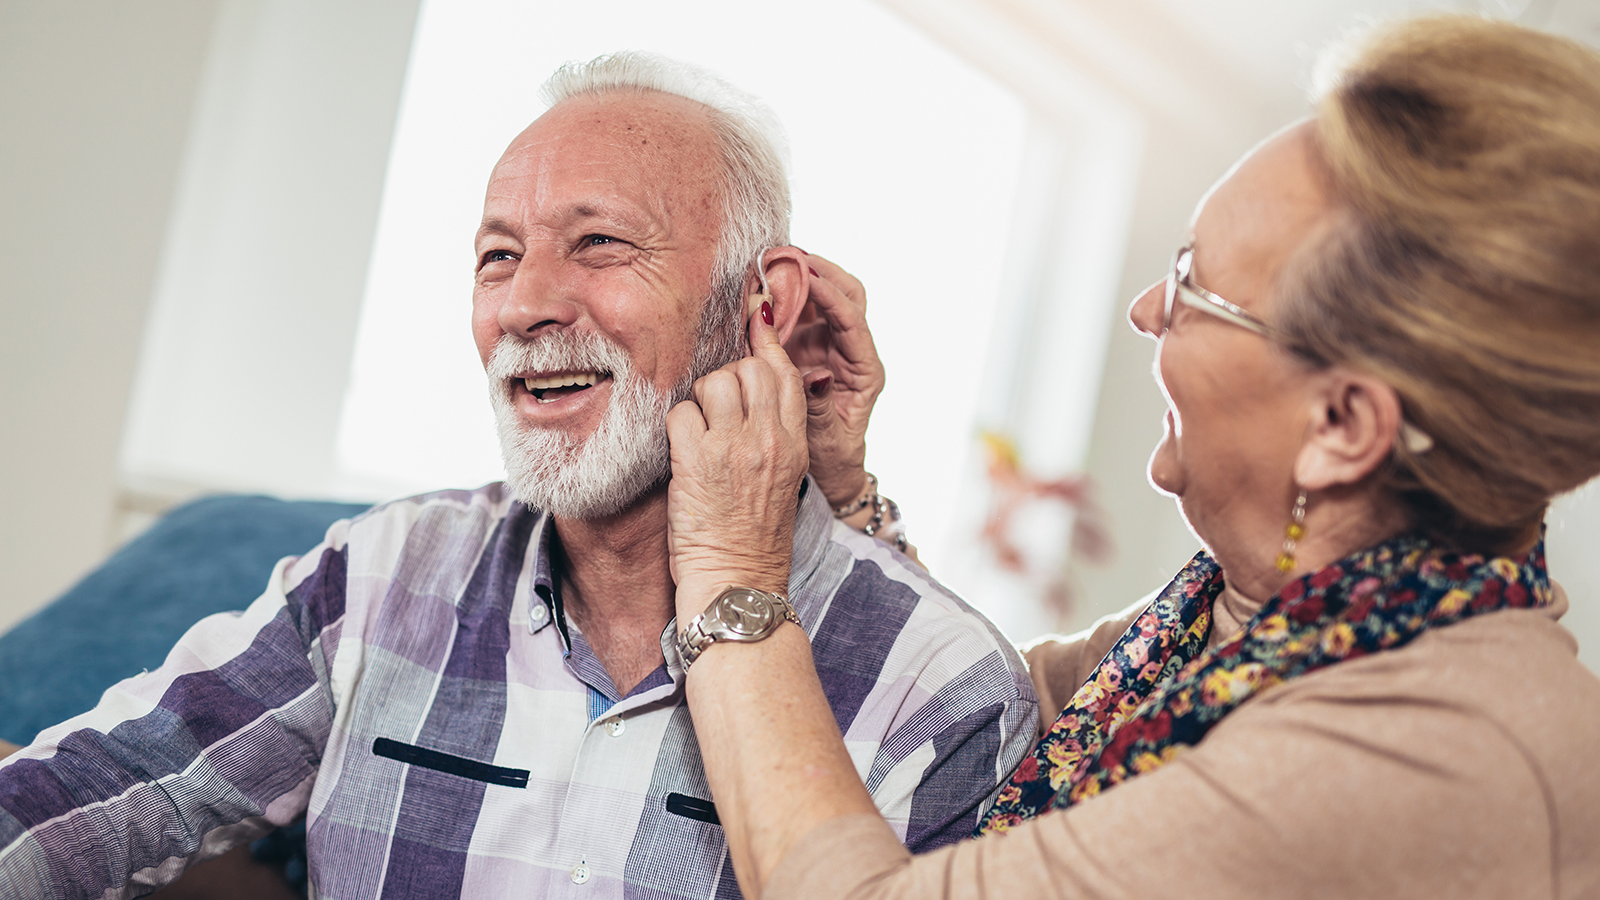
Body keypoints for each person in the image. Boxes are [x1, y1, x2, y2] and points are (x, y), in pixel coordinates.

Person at [0, 53, 1037, 898]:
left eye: (599, 243)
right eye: (497, 257)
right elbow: (101, 788)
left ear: (762, 308)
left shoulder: (940, 687)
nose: (527, 304)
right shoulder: (385, 572)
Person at [662, 15, 1600, 899]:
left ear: (1342, 427)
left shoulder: (1422, 754)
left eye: (1197, 285)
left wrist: (728, 573)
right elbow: (974, 721)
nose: (1149, 308)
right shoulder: (1242, 624)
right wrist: (842, 488)